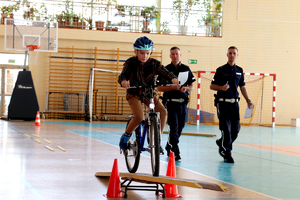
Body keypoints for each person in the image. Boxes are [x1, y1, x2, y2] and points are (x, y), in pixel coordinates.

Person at [118, 36, 179, 153]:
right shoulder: (130, 62)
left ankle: (157, 140)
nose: (145, 56)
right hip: (134, 93)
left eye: (147, 53)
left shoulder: (154, 64)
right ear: (135, 51)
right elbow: (123, 75)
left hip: (149, 93)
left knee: (163, 111)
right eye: (142, 53)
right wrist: (124, 81)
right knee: (139, 117)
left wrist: (173, 78)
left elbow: (166, 72)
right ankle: (126, 135)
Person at [210, 46, 253, 163]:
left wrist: (248, 100)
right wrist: (221, 87)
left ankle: (221, 142)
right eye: (230, 53)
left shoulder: (239, 70)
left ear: (237, 55)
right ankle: (227, 153)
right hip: (222, 103)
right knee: (226, 129)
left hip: (235, 104)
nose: (232, 55)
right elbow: (212, 86)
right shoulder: (220, 70)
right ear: (227, 54)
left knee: (236, 129)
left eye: (234, 53)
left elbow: (242, 87)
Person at [157, 47, 195, 161]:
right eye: (172, 54)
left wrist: (186, 88)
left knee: (180, 126)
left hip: (183, 103)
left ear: (180, 55)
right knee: (174, 127)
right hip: (170, 103)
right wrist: (172, 88)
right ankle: (176, 151)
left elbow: (192, 86)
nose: (175, 56)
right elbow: (159, 87)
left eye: (177, 54)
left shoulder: (186, 69)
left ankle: (169, 145)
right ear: (170, 56)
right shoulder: (165, 70)